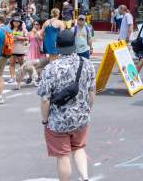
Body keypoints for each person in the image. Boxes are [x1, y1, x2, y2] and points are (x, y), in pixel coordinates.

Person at [38, 30, 96, 181]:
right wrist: (87, 110)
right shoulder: (87, 64)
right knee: (79, 148)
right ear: (74, 45)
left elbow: (45, 100)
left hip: (58, 121)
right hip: (81, 118)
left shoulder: (50, 68)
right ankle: (85, 177)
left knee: (63, 156)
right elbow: (91, 93)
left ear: (57, 46)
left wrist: (45, 120)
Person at [8, 16, 28, 84]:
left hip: (20, 49)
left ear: (20, 23)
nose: (16, 23)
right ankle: (12, 77)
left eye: (17, 22)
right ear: (12, 22)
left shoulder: (23, 29)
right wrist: (11, 38)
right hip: (11, 49)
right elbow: (6, 38)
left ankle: (23, 76)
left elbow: (27, 38)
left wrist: (19, 38)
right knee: (11, 64)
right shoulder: (9, 29)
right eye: (14, 21)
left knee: (21, 64)